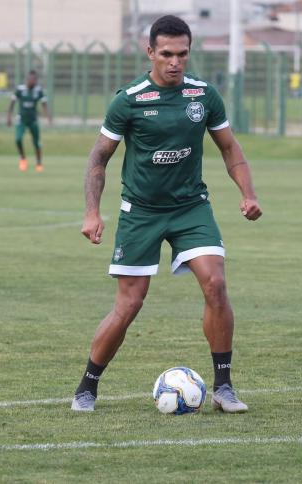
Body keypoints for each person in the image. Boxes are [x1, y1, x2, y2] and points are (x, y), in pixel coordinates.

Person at [71, 15, 262, 413]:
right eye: (167, 54)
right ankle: (87, 386)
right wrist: (92, 213)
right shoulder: (129, 99)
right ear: (151, 53)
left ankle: (224, 387)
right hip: (140, 212)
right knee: (129, 304)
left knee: (216, 284)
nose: (175, 62)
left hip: (191, 207)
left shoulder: (204, 96)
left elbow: (229, 148)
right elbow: (99, 157)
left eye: (183, 54)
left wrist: (248, 194)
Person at [7, 70, 52, 172]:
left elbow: (44, 104)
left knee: (36, 143)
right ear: (28, 79)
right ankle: (23, 159)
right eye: (33, 79)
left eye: (36, 79)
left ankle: (39, 162)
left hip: (33, 120)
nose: (35, 81)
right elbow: (12, 103)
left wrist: (48, 117)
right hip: (21, 119)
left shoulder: (38, 90)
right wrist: (8, 116)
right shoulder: (20, 89)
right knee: (18, 139)